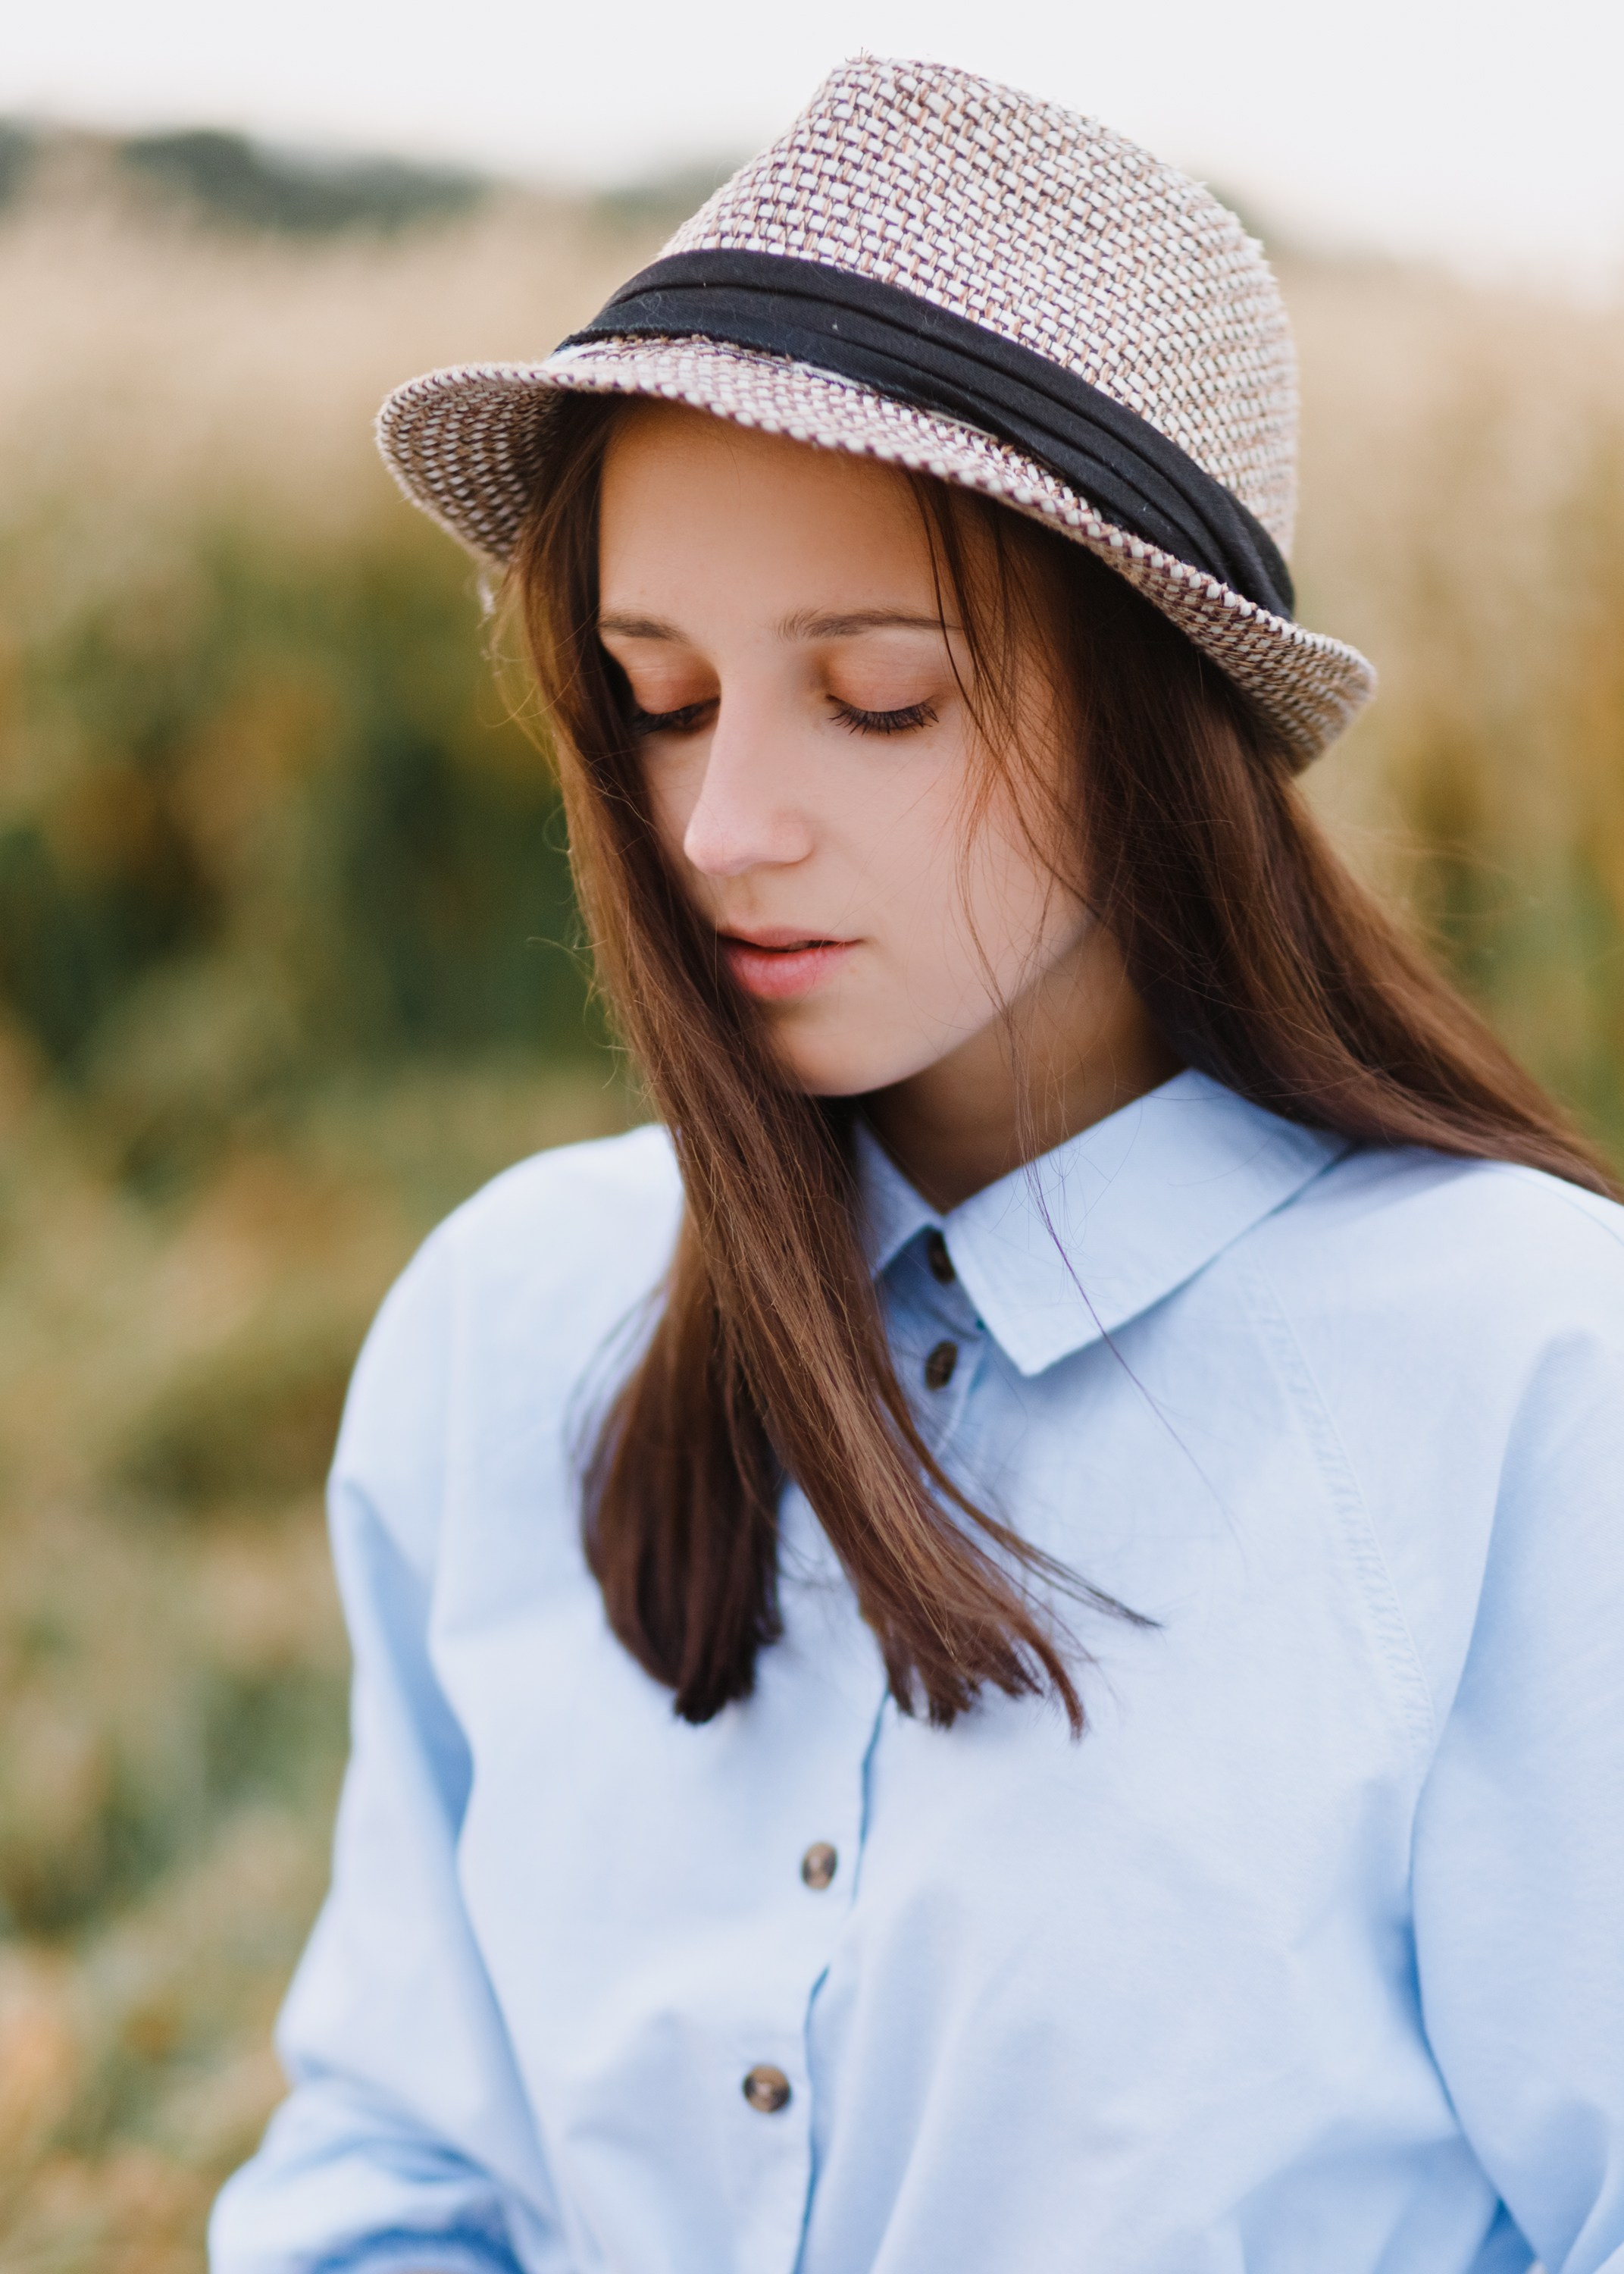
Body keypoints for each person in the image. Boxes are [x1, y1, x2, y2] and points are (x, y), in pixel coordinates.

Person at [211, 58, 1624, 2274]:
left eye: (877, 697)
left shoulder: (1528, 1371)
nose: (721, 829)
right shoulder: (514, 1319)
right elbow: (398, 2166)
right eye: (662, 698)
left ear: (1152, 712)